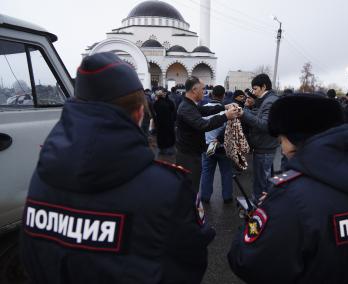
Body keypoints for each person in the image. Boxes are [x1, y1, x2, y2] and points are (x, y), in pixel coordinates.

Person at [21, 52, 215, 284]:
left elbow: (30, 255)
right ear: (139, 113)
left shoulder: (43, 175)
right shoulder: (167, 188)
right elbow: (188, 266)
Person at [228, 94, 348, 284]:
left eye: (281, 140)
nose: (281, 149)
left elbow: (247, 262)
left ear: (296, 139)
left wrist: (257, 217)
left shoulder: (291, 194)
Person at [176, 76, 239, 193]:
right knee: (191, 187)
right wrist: (226, 116)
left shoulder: (190, 104)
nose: (204, 92)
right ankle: (190, 209)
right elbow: (203, 125)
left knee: (194, 183)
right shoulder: (186, 107)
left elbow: (205, 111)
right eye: (202, 89)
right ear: (194, 90)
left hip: (192, 153)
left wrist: (224, 107)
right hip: (188, 156)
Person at [238, 74, 279, 200]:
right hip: (264, 147)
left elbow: (264, 124)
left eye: (255, 89)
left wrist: (244, 113)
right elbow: (259, 115)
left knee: (262, 183)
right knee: (263, 180)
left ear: (264, 86)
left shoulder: (270, 101)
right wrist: (243, 109)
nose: (253, 92)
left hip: (265, 148)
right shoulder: (267, 100)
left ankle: (260, 210)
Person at [200, 85, 234, 203]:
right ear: (223, 95)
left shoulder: (203, 108)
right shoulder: (227, 110)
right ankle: (227, 197)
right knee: (226, 172)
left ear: (212, 94)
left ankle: (205, 196)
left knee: (207, 172)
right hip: (222, 146)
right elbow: (229, 128)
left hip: (208, 145)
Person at [153, 88, 176, 155]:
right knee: (168, 136)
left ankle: (162, 149)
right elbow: (173, 110)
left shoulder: (156, 103)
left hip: (159, 123)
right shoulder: (168, 102)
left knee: (161, 136)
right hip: (168, 122)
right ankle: (169, 150)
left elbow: (155, 112)